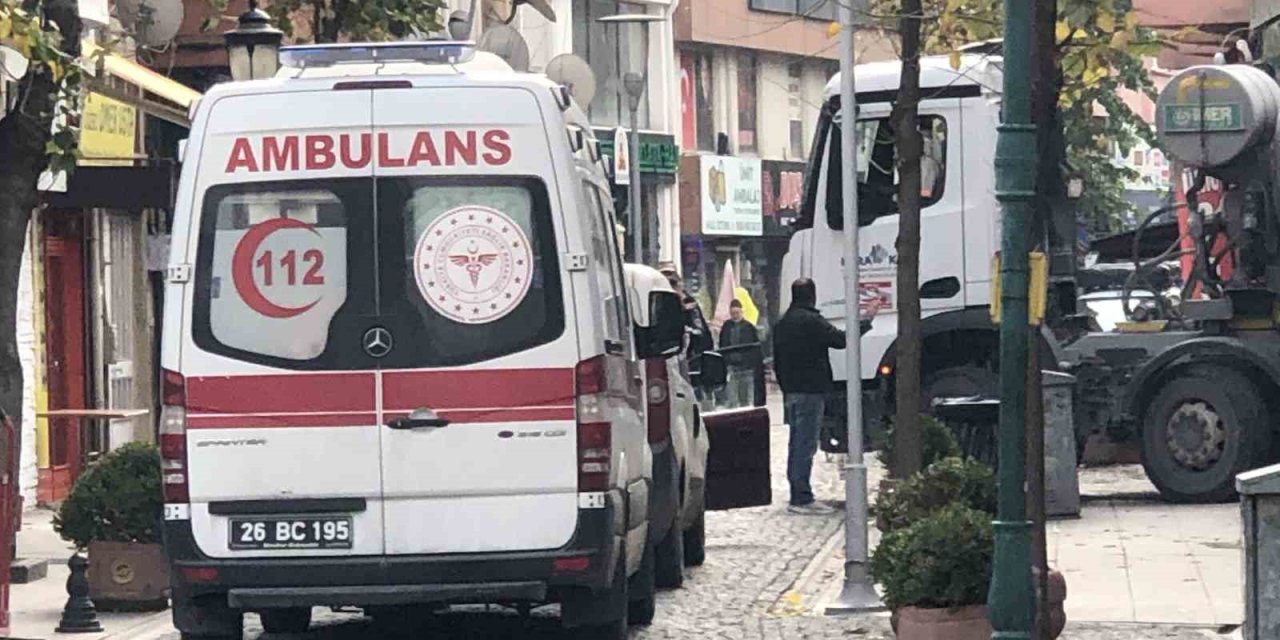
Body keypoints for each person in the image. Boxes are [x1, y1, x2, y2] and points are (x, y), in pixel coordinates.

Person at [773, 278, 874, 515]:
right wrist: (866, 320)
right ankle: (802, 498)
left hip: (792, 391)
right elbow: (841, 340)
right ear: (812, 295)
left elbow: (777, 359)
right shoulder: (812, 321)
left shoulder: (783, 323)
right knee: (805, 444)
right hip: (811, 390)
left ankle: (797, 492)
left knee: (796, 443)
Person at [718, 299, 759, 408]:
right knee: (732, 395)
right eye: (733, 313)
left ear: (742, 312)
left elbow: (754, 346)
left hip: (746, 367)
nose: (735, 316)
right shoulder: (726, 326)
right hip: (731, 366)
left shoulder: (749, 327)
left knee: (745, 394)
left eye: (737, 313)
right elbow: (722, 344)